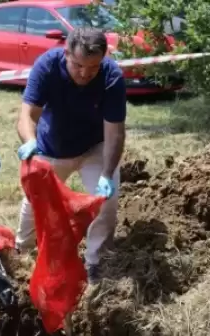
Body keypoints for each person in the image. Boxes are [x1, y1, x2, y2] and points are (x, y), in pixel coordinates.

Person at [15, 27, 126, 283]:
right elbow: (26, 115)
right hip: (51, 147)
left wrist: (108, 174)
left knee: (107, 203)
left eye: (93, 67)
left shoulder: (111, 76)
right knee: (35, 200)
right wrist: (30, 142)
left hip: (93, 147)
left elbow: (115, 133)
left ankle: (97, 262)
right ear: (66, 53)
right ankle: (22, 249)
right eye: (78, 65)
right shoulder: (47, 66)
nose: (85, 73)